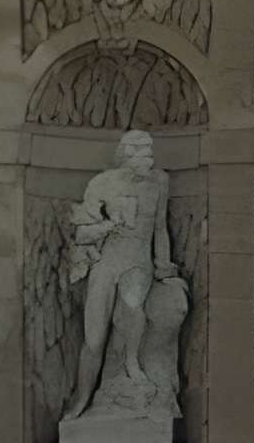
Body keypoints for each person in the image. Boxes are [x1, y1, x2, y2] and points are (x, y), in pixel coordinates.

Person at [65, 130, 177, 421]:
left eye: (149, 153)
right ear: (125, 155)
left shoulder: (159, 181)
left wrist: (163, 264)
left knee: (132, 305)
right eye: (140, 153)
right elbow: (80, 232)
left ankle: (130, 362)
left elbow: (160, 227)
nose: (147, 159)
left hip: (138, 258)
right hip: (108, 259)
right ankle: (82, 397)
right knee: (94, 336)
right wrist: (106, 226)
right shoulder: (102, 183)